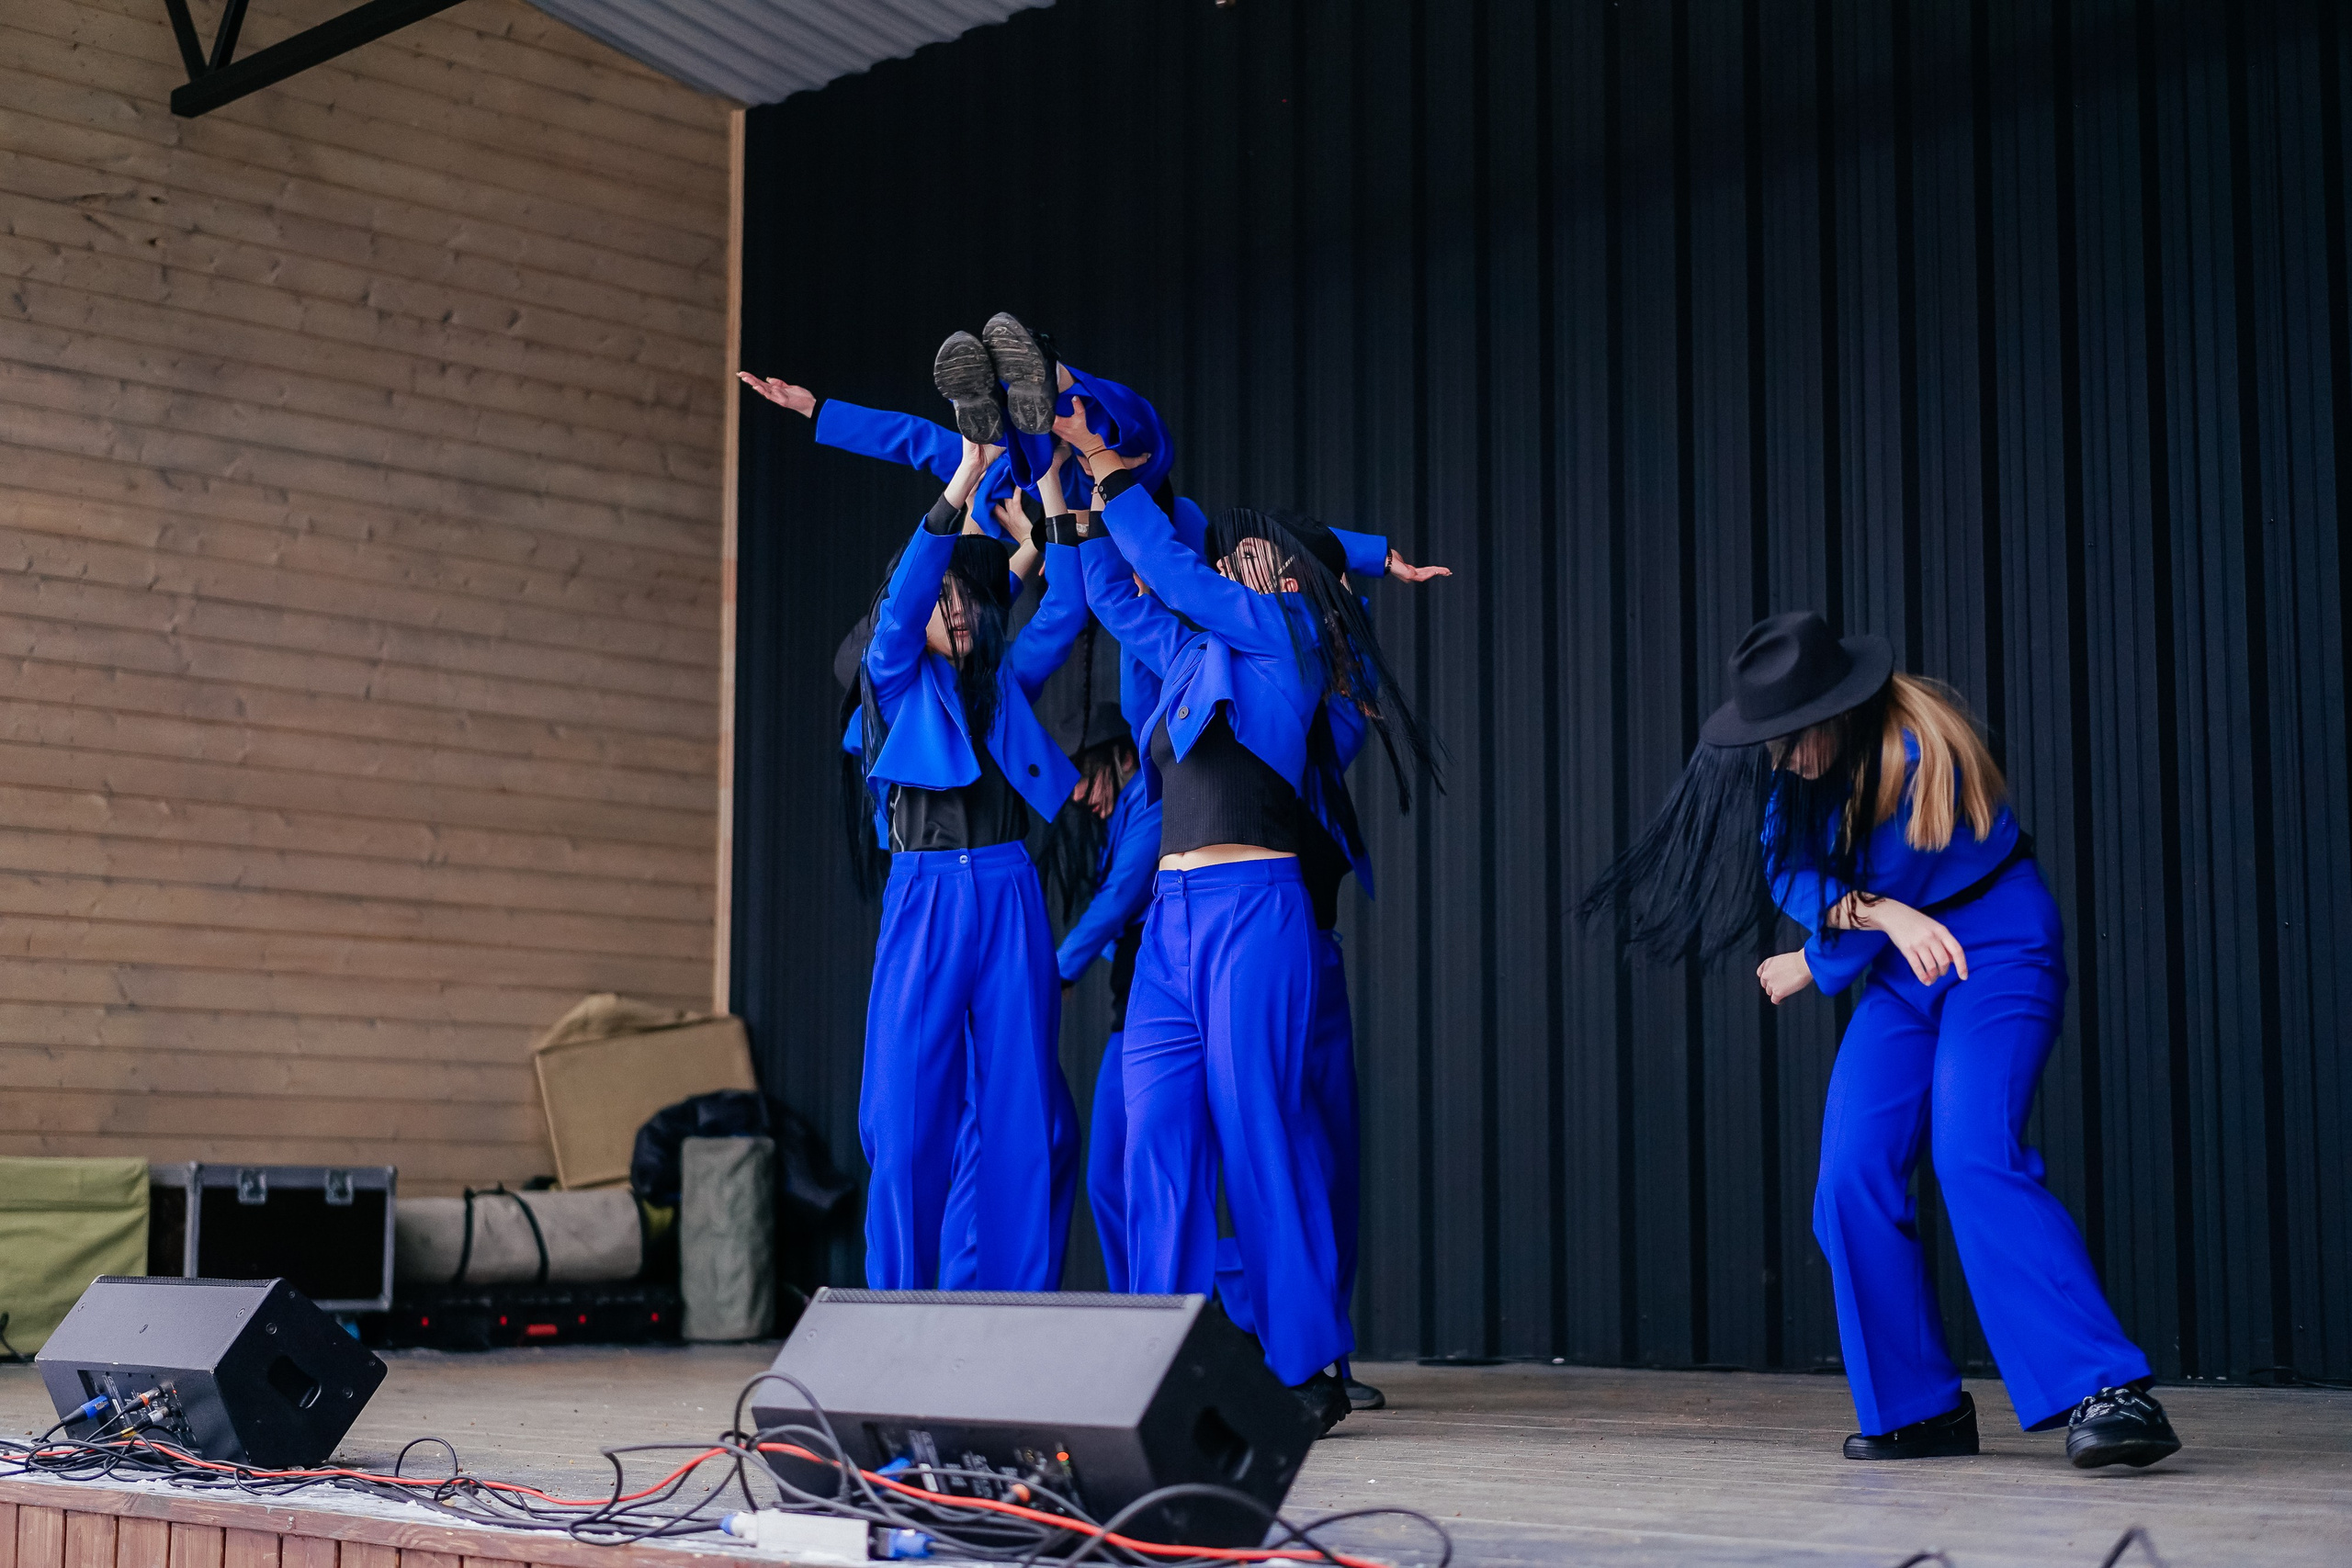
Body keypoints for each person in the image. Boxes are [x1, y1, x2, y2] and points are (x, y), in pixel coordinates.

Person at [1583, 611, 2181, 1470]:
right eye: (1769, 743)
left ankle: (2108, 1387)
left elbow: (1884, 879)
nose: (1778, 758)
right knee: (1849, 1177)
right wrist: (1876, 919)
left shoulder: (1911, 753)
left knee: (1974, 1153)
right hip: (1903, 965)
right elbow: (1786, 869)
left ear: (1835, 711)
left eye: (1788, 739)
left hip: (1996, 948)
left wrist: (1817, 958)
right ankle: (1919, 1406)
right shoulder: (1799, 771)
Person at [1054, 395, 1440, 1427]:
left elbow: (1174, 572)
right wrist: (1070, 503)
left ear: (1295, 582)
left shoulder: (1285, 638)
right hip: (1171, 928)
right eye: (1239, 551)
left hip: (1253, 908)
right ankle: (1162, 1360)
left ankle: (1305, 1360)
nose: (1243, 558)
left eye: (1266, 554)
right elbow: (1116, 592)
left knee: (1259, 1127)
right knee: (1157, 1144)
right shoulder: (1186, 660)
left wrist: (1105, 469)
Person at [849, 436, 1088, 1292]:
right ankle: (896, 1322)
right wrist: (966, 477)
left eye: (963, 598)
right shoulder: (892, 676)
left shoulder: (1004, 682)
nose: (952, 608)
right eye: (939, 597)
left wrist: (1053, 487)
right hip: (925, 897)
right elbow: (910, 590)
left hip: (1010, 889)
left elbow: (1063, 605)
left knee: (1022, 1116)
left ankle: (1011, 1327)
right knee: (906, 1120)